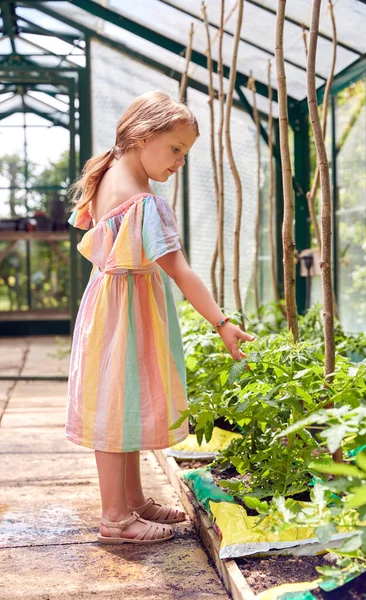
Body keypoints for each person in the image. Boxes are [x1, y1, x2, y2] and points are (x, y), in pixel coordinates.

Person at [67, 91, 255, 545]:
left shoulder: (107, 174)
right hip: (125, 315)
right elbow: (180, 270)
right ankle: (115, 518)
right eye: (175, 149)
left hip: (110, 308)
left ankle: (133, 500)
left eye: (184, 154)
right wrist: (221, 323)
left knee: (123, 403)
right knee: (115, 411)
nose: (179, 162)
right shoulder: (145, 203)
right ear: (142, 136)